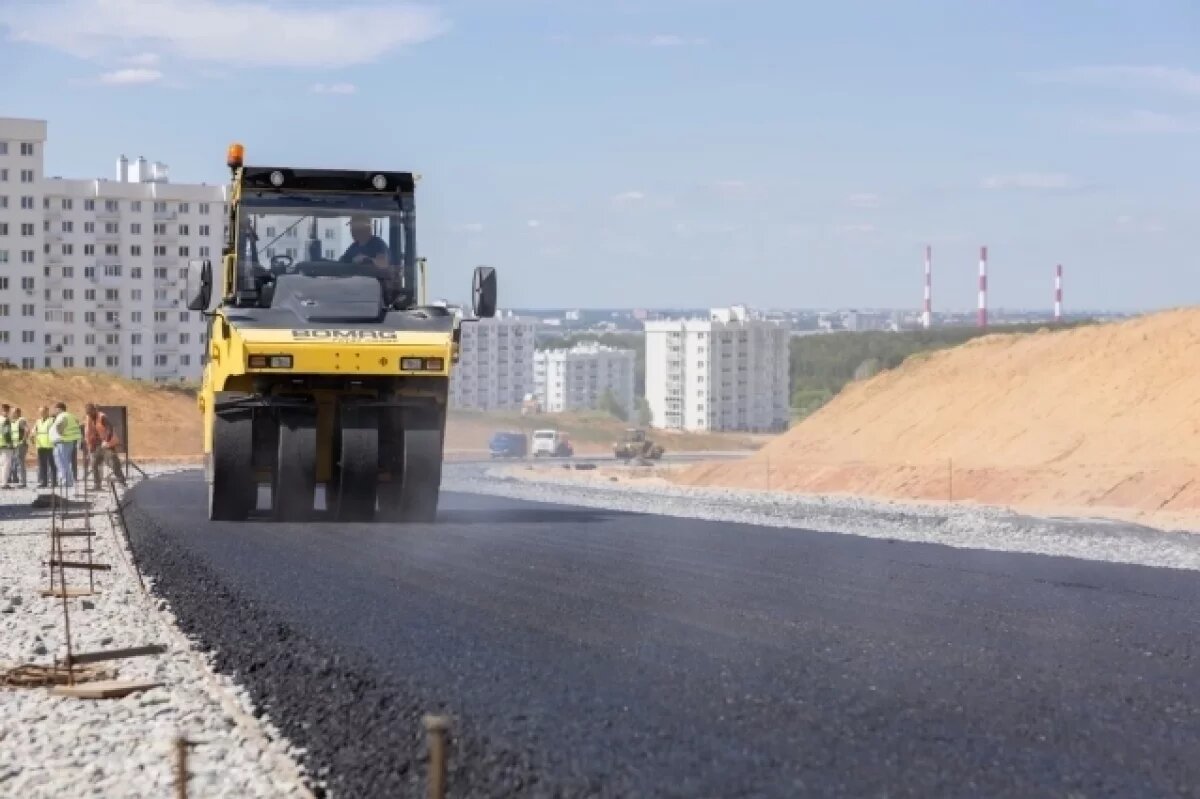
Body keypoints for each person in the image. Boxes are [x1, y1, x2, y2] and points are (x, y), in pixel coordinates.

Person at [84, 403, 126, 489]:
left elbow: (109, 428)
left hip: (107, 445)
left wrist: (106, 440)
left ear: (94, 410)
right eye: (87, 413)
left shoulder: (102, 417)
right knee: (94, 464)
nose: (89, 415)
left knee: (113, 463)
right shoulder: (89, 418)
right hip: (96, 445)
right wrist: (90, 446)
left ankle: (122, 482)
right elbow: (88, 433)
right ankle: (97, 485)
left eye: (90, 412)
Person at [51, 401, 81, 492]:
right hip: (67, 441)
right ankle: (68, 480)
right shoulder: (69, 415)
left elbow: (60, 425)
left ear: (59, 409)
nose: (54, 411)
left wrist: (59, 435)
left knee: (61, 462)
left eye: (55, 409)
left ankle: (65, 481)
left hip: (63, 441)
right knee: (65, 462)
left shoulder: (62, 416)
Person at [32, 406, 56, 489]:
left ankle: (53, 482)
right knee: (42, 465)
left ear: (47, 411)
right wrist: (32, 436)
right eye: (40, 412)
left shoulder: (52, 420)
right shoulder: (38, 421)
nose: (41, 413)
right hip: (40, 445)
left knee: (52, 464)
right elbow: (34, 431)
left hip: (50, 445)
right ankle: (43, 482)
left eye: (43, 412)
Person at [8, 408, 27, 488]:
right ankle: (16, 479)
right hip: (14, 445)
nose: (11, 414)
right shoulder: (13, 422)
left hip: (20, 445)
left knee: (20, 464)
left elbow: (27, 430)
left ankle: (23, 482)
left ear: (17, 413)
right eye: (11, 412)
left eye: (13, 412)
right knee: (14, 463)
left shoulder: (21, 420)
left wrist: (23, 440)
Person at [0, 404, 12, 490]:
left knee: (1, 464)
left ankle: (1, 482)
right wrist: (9, 443)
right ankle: (4, 483)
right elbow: (6, 432)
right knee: (6, 464)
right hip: (5, 444)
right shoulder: (6, 420)